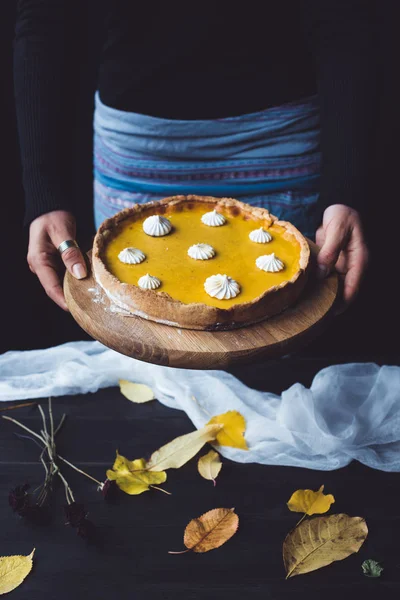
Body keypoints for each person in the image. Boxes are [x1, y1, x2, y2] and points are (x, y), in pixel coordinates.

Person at [14, 1, 375, 312]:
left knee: (275, 346)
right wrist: (44, 190)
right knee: (147, 349)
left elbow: (342, 18)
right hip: (140, 151)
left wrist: (345, 185)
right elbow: (46, 17)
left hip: (276, 145)